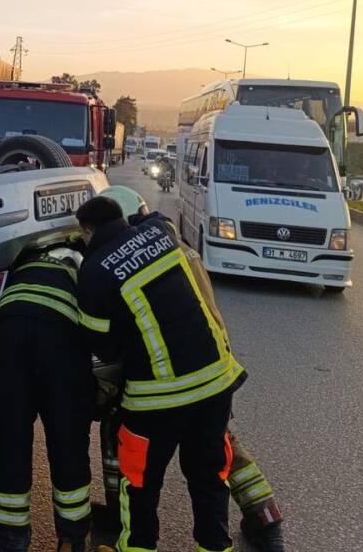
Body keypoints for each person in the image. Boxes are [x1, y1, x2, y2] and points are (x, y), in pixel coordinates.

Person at [97, 186, 285, 552]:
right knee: (216, 450)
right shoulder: (174, 247)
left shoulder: (135, 257)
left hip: (177, 374)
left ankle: (126, 524)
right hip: (212, 368)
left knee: (139, 451)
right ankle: (264, 513)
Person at [75, 195, 245, 552]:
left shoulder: (93, 273)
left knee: (140, 483)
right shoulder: (161, 231)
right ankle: (215, 546)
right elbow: (151, 216)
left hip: (156, 398)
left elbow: (103, 347)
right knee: (209, 477)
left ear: (87, 231)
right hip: (215, 382)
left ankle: (139, 548)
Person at [0, 222, 95, 552]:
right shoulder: (87, 259)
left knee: (9, 442)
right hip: (60, 341)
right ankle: (73, 539)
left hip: (7, 336)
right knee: (68, 442)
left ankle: (10, 541)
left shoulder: (26, 251)